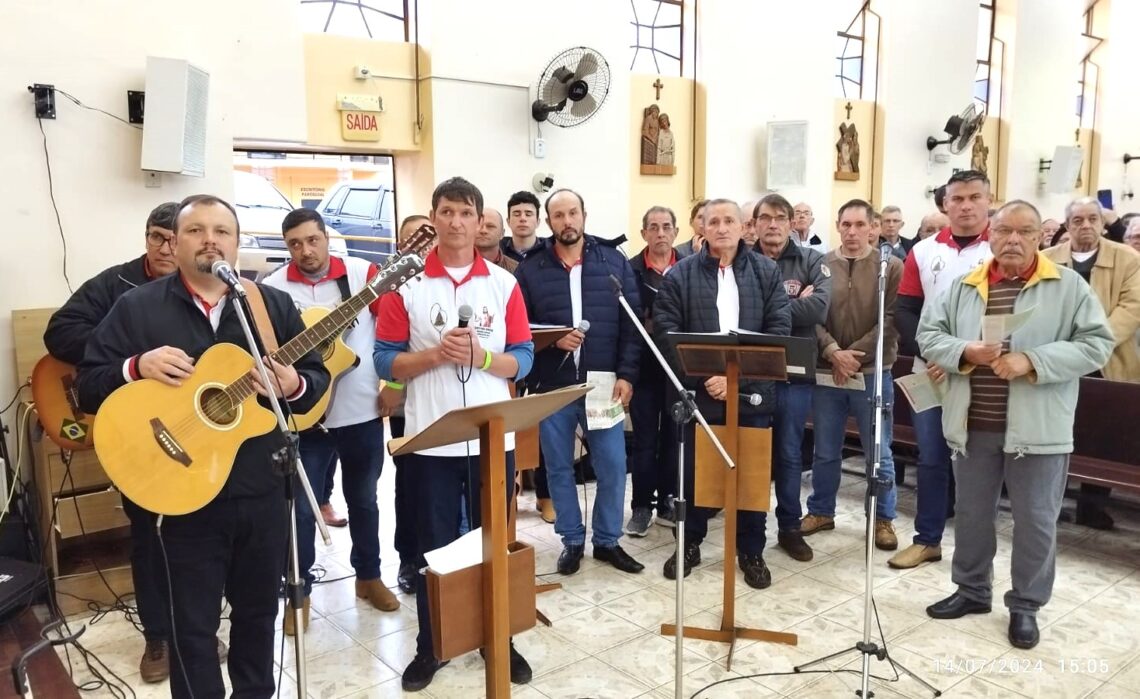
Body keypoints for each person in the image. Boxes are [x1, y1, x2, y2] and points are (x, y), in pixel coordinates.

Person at [76, 194, 330, 698]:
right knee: (190, 628)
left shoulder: (269, 305)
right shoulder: (137, 307)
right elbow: (87, 384)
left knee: (259, 616)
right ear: (177, 241)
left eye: (222, 231)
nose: (210, 239)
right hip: (179, 500)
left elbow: (316, 382)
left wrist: (292, 386)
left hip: (261, 491)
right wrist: (135, 367)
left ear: (237, 244)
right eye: (196, 231)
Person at [44, 202, 230, 683]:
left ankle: (199, 628)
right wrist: (135, 359)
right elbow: (59, 332)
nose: (168, 247)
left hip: (200, 435)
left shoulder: (226, 290)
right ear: (148, 239)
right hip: (138, 434)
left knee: (204, 536)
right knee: (150, 537)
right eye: (158, 237)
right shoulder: (117, 286)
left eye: (177, 237)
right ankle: (159, 636)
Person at [918, 200, 1113, 651]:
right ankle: (971, 590)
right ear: (989, 234)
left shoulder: (1066, 287)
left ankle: (1025, 604)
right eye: (1003, 230)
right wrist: (965, 350)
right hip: (974, 423)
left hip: (1037, 428)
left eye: (1024, 231)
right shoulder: (964, 287)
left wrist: (1033, 360)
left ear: (1041, 237)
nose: (1012, 240)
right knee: (970, 513)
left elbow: (1097, 345)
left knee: (1036, 521)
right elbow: (929, 334)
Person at [373, 177, 535, 692]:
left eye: (467, 213)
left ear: (481, 220)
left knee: (496, 542)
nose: (457, 222)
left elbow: (524, 357)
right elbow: (384, 359)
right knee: (434, 548)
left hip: (493, 440)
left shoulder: (504, 284)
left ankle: (498, 637)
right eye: (447, 212)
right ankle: (433, 644)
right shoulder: (409, 282)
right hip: (431, 439)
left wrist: (484, 358)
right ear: (434, 217)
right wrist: (435, 356)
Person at [262, 208, 398, 636]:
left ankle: (369, 577)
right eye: (295, 244)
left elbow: (394, 329)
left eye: (312, 240)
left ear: (326, 237)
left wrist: (392, 383)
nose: (305, 250)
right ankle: (298, 595)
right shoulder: (271, 288)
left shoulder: (363, 273)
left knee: (365, 501)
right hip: (303, 420)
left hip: (361, 411)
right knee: (301, 511)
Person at [653, 198, 791, 588]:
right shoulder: (680, 276)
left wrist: (736, 380)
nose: (722, 228)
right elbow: (667, 333)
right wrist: (707, 378)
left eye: (730, 220)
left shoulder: (766, 272)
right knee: (695, 475)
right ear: (702, 228)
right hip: (700, 393)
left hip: (752, 395)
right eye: (713, 221)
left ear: (744, 226)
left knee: (750, 476)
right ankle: (690, 542)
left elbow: (778, 331)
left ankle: (751, 550)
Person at [514, 188, 645, 576]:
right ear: (548, 222)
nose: (567, 221)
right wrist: (553, 339)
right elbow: (519, 330)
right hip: (552, 385)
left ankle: (606, 540)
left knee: (612, 463)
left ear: (584, 215)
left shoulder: (612, 263)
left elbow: (632, 325)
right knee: (557, 467)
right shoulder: (531, 269)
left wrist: (627, 376)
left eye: (573, 213)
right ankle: (571, 539)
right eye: (558, 216)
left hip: (603, 382)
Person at [889, 169, 993, 570]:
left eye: (974, 197)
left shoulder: (1000, 249)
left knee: (978, 462)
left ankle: (975, 552)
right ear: (944, 204)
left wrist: (961, 356)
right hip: (929, 370)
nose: (965, 206)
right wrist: (935, 354)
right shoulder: (924, 250)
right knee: (931, 456)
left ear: (988, 200)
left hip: (982, 373)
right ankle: (927, 539)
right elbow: (907, 310)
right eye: (957, 199)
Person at [802, 199, 902, 552]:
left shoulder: (891, 268)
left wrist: (854, 356)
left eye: (861, 225)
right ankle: (821, 510)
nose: (853, 231)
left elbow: (891, 319)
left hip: (873, 371)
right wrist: (832, 352)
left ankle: (882, 517)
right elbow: (810, 314)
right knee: (826, 449)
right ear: (838, 225)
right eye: (846, 224)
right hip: (828, 371)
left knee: (879, 450)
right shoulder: (819, 264)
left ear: (874, 227)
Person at [1044, 196, 1140, 531]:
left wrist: (1092, 344)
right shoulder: (1047, 259)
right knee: (1056, 431)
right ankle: (1050, 501)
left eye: (1092, 219)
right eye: (1077, 220)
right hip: (1059, 358)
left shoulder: (1127, 259)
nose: (1085, 226)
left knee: (1101, 433)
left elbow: (1131, 308)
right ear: (1067, 226)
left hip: (1109, 359)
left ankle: (1091, 505)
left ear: (1103, 223)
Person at [753, 193, 831, 562]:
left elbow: (819, 307)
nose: (772, 224)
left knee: (787, 453)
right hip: (750, 373)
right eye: (765, 218)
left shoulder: (811, 260)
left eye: (780, 218)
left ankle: (789, 527)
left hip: (792, 374)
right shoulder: (742, 261)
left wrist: (766, 307)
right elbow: (737, 312)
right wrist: (789, 304)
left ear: (790, 223)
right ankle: (748, 528)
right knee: (748, 451)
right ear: (753, 224)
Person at [380, 213, 432, 595]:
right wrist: (395, 383)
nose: (419, 244)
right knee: (410, 483)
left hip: (448, 400)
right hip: (406, 403)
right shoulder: (392, 284)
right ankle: (409, 558)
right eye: (410, 238)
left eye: (424, 237)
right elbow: (390, 344)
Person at [625, 206, 679, 536]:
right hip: (643, 371)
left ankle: (669, 500)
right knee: (645, 441)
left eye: (666, 227)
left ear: (675, 232)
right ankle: (642, 506)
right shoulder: (630, 270)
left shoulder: (688, 269)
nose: (660, 233)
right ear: (644, 233)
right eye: (653, 227)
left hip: (677, 371)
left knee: (675, 439)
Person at [501, 191, 544, 262]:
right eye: (517, 214)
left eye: (528, 214)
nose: (522, 219)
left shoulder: (551, 251)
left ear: (538, 221)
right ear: (508, 221)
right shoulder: (498, 251)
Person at [475, 207, 518, 272]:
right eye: (478, 225)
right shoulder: (456, 266)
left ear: (502, 233)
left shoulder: (517, 270)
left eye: (490, 226)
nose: (483, 231)